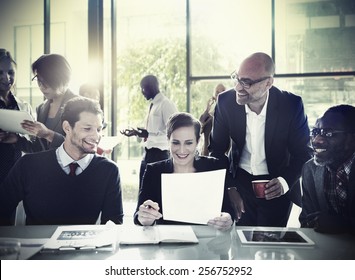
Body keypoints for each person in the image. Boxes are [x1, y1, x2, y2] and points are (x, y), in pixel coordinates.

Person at [209, 52, 310, 227]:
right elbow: (216, 150)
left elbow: (303, 153)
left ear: (268, 83)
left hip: (276, 184)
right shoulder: (225, 102)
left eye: (247, 82)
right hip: (239, 182)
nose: (238, 88)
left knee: (270, 245)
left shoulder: (291, 105)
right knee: (240, 244)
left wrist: (284, 182)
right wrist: (230, 187)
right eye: (237, 79)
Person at [0, 96, 123, 225]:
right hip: (37, 244)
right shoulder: (28, 165)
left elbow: (113, 224)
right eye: (87, 129)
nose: (96, 136)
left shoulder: (109, 171)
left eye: (99, 129)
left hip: (85, 245)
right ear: (67, 127)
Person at [134, 112, 234, 231]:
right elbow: (138, 216)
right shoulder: (153, 171)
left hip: (208, 243)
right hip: (168, 243)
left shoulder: (214, 167)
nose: (181, 150)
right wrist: (144, 218)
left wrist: (228, 218)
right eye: (176, 143)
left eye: (189, 143)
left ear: (198, 141)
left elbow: (228, 209)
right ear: (168, 140)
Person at [3, 54, 77, 153]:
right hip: (46, 168)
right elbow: (38, 149)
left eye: (47, 81)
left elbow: (81, 147)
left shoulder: (82, 106)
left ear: (61, 77)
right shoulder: (41, 109)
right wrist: (17, 139)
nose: (42, 87)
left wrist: (48, 134)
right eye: (39, 80)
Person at [300, 104, 355, 234]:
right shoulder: (310, 169)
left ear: (352, 138)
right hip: (327, 251)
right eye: (315, 132)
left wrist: (342, 225)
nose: (317, 140)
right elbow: (306, 221)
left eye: (328, 133)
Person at [120, 74, 178, 188]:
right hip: (148, 154)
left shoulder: (165, 104)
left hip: (160, 155)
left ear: (152, 87)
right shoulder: (153, 105)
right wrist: (137, 133)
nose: (142, 92)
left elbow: (174, 132)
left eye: (143, 88)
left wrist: (148, 134)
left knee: (155, 192)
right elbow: (154, 130)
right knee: (143, 190)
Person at [0, 49, 35, 184]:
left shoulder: (24, 107)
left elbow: (34, 146)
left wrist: (16, 139)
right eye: (0, 72)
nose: (7, 78)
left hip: (14, 177)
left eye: (10, 72)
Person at [199, 83, 226, 156]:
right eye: (217, 92)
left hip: (224, 154)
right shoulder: (208, 115)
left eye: (223, 91)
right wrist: (207, 109)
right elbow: (199, 128)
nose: (220, 94)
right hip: (207, 152)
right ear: (214, 96)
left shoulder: (229, 113)